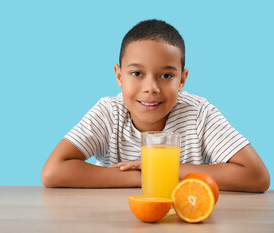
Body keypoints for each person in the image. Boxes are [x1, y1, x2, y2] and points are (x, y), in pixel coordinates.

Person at [41, 19, 270, 192]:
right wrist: (145, 177)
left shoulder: (199, 114)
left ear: (182, 79)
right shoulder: (109, 113)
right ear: (119, 76)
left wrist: (161, 172)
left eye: (166, 76)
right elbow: (53, 172)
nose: (151, 88)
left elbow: (257, 177)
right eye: (137, 73)